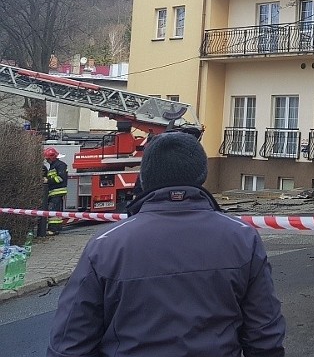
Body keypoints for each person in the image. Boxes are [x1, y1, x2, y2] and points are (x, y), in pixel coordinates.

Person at [46, 131, 287, 357]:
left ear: (145, 176)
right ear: (202, 174)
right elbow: (265, 336)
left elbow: (70, 343)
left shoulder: (106, 245)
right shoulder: (243, 237)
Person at [42, 147, 68, 235]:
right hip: (54, 191)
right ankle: (57, 229)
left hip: (57, 191)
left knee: (52, 210)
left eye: (47, 158)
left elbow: (60, 178)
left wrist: (47, 181)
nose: (47, 160)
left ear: (51, 157)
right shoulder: (53, 166)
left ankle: (52, 230)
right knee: (56, 212)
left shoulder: (60, 165)